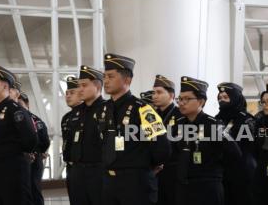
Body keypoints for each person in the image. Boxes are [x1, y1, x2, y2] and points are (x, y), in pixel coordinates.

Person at [99, 53, 169, 205]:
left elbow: (162, 147)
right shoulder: (104, 108)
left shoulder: (143, 109)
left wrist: (146, 167)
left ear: (127, 79)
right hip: (109, 183)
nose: (105, 81)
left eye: (111, 76)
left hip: (136, 183)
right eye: (104, 76)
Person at [172, 76, 242, 205]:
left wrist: (216, 168)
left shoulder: (214, 125)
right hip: (183, 188)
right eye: (180, 99)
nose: (181, 103)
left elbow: (235, 153)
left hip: (208, 187)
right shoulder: (178, 125)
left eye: (187, 99)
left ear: (201, 101)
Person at [0, 65, 38, 205]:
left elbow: (30, 140)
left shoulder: (16, 110)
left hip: (12, 169)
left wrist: (15, 153)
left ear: (5, 87)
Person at [67, 65, 105, 205]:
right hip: (77, 172)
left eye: (84, 85)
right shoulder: (76, 113)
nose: (80, 89)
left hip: (98, 171)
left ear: (97, 86)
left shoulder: (107, 109)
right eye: (79, 86)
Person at [9, 79, 50, 205]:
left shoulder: (36, 121)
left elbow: (45, 141)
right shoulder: (10, 118)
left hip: (33, 158)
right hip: (16, 159)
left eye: (21, 103)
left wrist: (38, 151)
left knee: (33, 188)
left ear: (27, 104)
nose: (18, 106)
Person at [215, 82, 257, 205]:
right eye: (220, 98)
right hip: (222, 174)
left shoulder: (246, 120)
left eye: (226, 97)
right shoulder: (217, 119)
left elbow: (250, 148)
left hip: (242, 174)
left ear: (235, 98)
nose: (222, 101)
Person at [152, 75, 181, 205]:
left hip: (172, 171)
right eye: (153, 92)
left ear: (171, 95)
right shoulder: (152, 116)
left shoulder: (180, 115)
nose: (155, 96)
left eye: (159, 92)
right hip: (154, 171)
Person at [60, 76, 82, 204]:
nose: (68, 96)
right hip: (71, 168)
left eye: (72, 93)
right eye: (67, 93)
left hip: (89, 168)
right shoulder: (66, 118)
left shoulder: (89, 113)